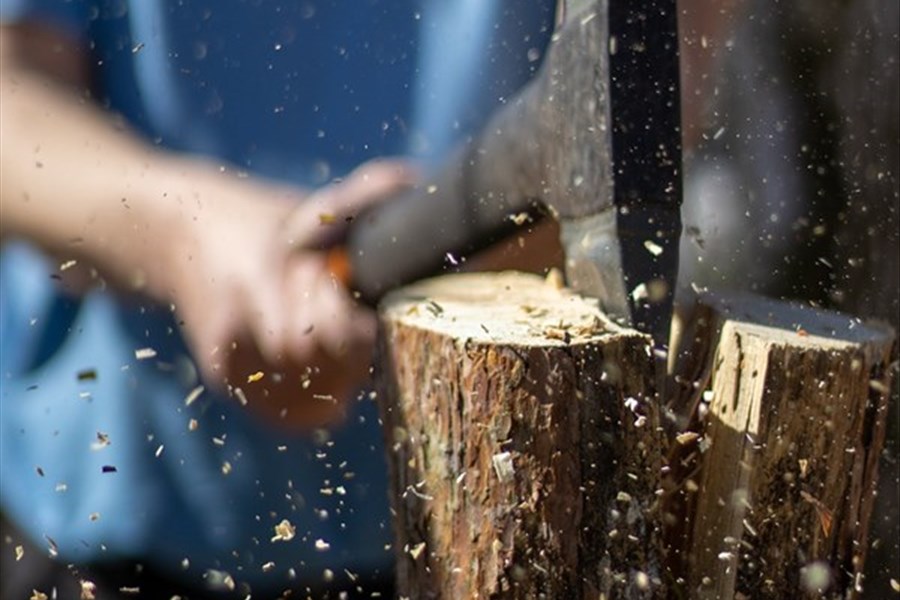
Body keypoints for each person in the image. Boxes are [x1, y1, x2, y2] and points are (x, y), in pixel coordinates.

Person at [0, 1, 556, 597]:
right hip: (111, 534)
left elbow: (645, 111)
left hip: (484, 538)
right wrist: (183, 232)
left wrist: (496, 242)